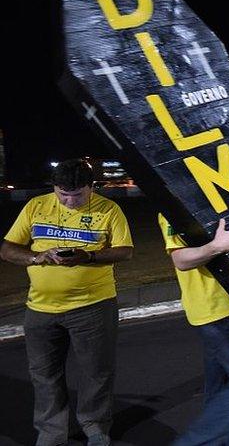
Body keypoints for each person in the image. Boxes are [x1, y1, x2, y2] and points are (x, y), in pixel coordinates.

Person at [0, 159, 133, 446]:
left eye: (78, 195)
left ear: (92, 187)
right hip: (40, 308)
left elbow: (125, 251)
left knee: (96, 372)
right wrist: (39, 257)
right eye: (63, 194)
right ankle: (51, 433)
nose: (70, 201)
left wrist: (89, 257)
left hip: (94, 306)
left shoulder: (109, 209)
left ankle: (95, 427)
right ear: (54, 188)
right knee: (44, 374)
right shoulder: (36, 206)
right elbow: (8, 249)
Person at [158, 214, 229, 445]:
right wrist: (216, 247)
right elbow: (181, 259)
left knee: (220, 387)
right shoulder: (173, 203)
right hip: (220, 309)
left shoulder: (213, 194)